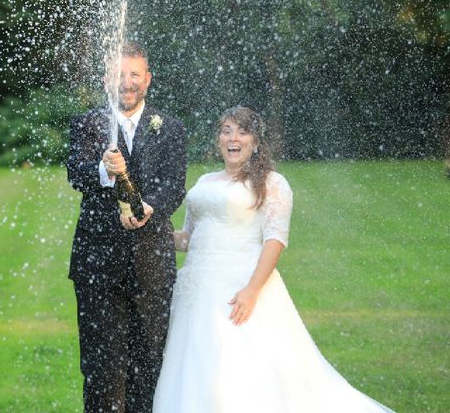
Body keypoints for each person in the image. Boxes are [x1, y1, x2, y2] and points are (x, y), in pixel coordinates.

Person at [153, 106, 396, 413]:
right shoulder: (204, 182)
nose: (233, 138)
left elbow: (275, 239)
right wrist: (151, 229)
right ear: (218, 140)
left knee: (234, 370)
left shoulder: (271, 183)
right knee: (194, 364)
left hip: (239, 289)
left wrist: (252, 290)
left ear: (255, 142)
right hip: (195, 290)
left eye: (242, 132)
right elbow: (189, 237)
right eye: (226, 131)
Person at [67, 43, 187, 413]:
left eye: (135, 74)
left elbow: (174, 184)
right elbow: (77, 174)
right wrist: (105, 170)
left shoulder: (170, 128)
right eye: (120, 75)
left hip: (152, 265)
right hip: (97, 267)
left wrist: (150, 207)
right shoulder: (87, 124)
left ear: (147, 80)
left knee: (149, 365)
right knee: (102, 369)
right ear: (107, 79)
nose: (127, 82)